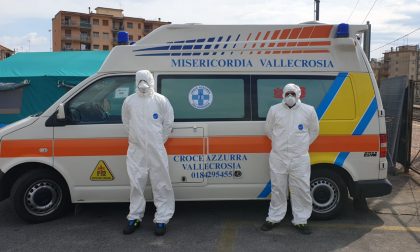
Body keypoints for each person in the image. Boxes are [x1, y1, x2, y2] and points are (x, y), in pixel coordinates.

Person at [121, 70, 175, 236]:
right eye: (140, 80)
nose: (142, 84)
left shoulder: (161, 100)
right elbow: (126, 122)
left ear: (151, 80)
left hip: (156, 149)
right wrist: (136, 139)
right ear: (135, 81)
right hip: (136, 149)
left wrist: (157, 141)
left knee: (161, 183)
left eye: (145, 80)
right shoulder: (129, 101)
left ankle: (162, 219)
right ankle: (135, 217)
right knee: (136, 183)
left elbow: (168, 123)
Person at [261, 83, 319, 235]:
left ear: (299, 94)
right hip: (278, 156)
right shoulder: (275, 110)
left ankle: (301, 220)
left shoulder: (309, 110)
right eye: (287, 93)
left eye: (293, 93)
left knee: (301, 189)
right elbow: (268, 130)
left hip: (299, 158)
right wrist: (279, 144)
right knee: (278, 188)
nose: (290, 96)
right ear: (283, 95)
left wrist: (302, 145)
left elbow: (314, 131)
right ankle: (274, 217)